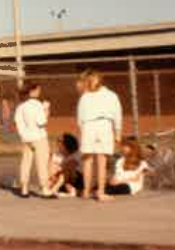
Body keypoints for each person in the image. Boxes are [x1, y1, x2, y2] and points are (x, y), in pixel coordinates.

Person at [76, 70, 123, 202]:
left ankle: (86, 190)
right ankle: (100, 192)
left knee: (87, 160)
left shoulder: (85, 97)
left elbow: (79, 118)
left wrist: (81, 131)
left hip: (88, 126)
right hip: (104, 125)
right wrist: (118, 132)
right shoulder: (111, 95)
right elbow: (117, 114)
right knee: (101, 161)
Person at [13, 83, 54, 199]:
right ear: (32, 92)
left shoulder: (21, 106)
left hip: (26, 138)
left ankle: (24, 188)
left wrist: (23, 135)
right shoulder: (37, 105)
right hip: (39, 137)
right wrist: (46, 109)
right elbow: (41, 122)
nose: (39, 92)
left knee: (26, 162)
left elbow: (18, 123)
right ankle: (45, 189)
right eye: (38, 90)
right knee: (42, 162)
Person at [48, 133, 81, 197]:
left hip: (74, 178)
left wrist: (57, 171)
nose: (57, 143)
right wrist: (52, 175)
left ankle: (54, 189)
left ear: (67, 144)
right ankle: (52, 189)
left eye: (60, 141)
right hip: (60, 179)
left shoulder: (77, 154)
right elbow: (50, 166)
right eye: (57, 140)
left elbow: (71, 165)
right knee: (53, 176)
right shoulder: (56, 154)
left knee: (65, 169)